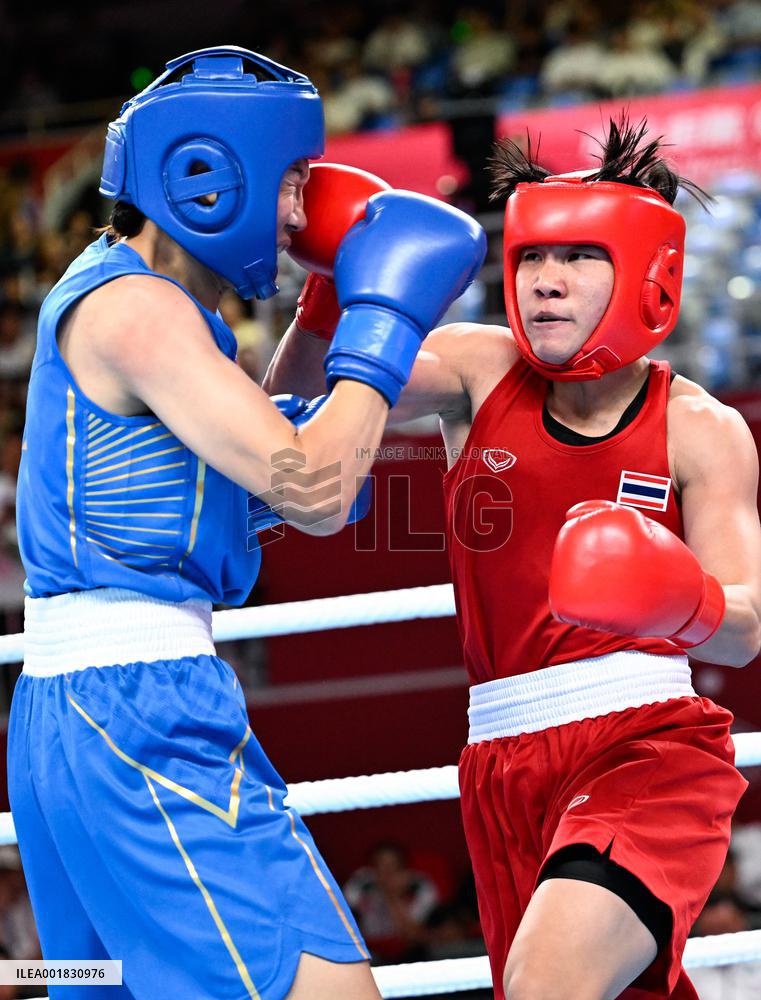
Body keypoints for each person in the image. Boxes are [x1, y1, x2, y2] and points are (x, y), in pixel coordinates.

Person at [7, 45, 486, 1000]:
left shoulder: (150, 308)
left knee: (105, 987)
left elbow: (287, 477)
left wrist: (323, 318)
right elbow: (311, 488)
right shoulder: (138, 311)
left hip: (82, 714)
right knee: (327, 992)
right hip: (138, 713)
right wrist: (384, 313)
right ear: (207, 172)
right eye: (293, 181)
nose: (305, 210)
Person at [265, 117, 761, 999]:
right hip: (499, 760)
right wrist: (334, 294)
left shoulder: (699, 428)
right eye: (531, 258)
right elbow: (291, 410)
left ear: (647, 272)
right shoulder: (478, 369)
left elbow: (745, 627)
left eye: (577, 258)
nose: (545, 282)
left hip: (648, 746)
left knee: (545, 986)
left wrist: (673, 599)